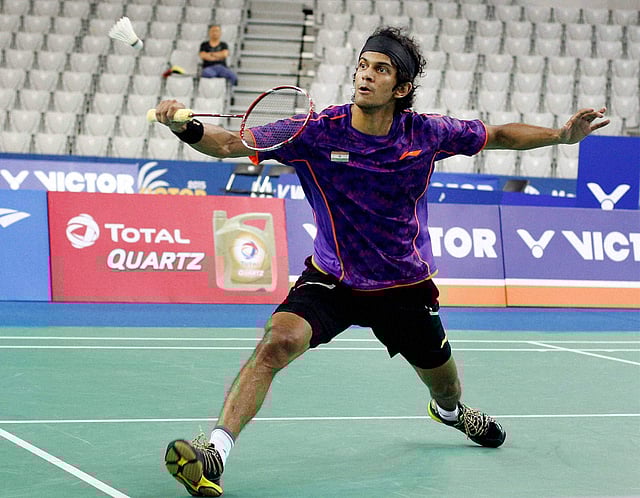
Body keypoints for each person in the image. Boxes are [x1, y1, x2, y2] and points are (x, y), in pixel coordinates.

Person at [154, 26, 609, 497]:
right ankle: (215, 454)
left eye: (381, 69)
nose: (365, 76)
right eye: (362, 66)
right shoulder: (315, 131)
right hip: (333, 279)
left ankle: (450, 413)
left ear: (402, 87)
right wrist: (186, 127)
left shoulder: (426, 133)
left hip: (403, 287)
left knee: (446, 387)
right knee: (277, 343)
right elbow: (229, 144)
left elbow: (497, 135)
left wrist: (561, 136)